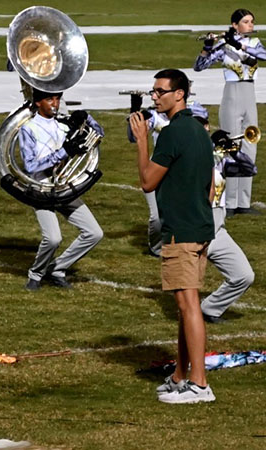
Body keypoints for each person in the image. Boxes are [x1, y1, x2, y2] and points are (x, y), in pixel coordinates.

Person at [130, 69, 216, 404]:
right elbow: (210, 184)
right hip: (200, 225)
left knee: (188, 304)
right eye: (153, 92)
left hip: (181, 229)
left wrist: (142, 142)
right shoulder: (197, 129)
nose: (154, 97)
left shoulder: (170, 134)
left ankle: (199, 383)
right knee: (185, 307)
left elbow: (147, 182)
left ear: (179, 94)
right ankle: (182, 375)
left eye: (159, 92)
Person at [18, 89, 104, 290]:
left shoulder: (64, 125)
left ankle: (57, 268)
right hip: (42, 189)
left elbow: (99, 135)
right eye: (50, 99)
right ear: (38, 102)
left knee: (94, 233)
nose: (55, 103)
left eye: (57, 98)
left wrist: (87, 118)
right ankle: (36, 274)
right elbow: (31, 166)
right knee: (53, 238)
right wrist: (65, 151)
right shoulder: (28, 128)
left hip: (65, 186)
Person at [194, 8, 266, 217]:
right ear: (235, 25)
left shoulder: (253, 43)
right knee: (230, 146)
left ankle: (244, 201)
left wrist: (239, 44)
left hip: (249, 94)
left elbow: (262, 56)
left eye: (252, 21)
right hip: (232, 94)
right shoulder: (224, 45)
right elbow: (199, 66)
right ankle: (230, 202)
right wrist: (207, 48)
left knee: (250, 145)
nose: (251, 25)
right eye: (246, 21)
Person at [126, 95, 210, 256]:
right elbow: (132, 137)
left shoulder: (196, 109)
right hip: (159, 167)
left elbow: (204, 130)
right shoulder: (154, 114)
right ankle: (157, 248)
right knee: (157, 218)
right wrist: (135, 112)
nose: (156, 96)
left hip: (186, 169)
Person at [202, 128, 255, 323]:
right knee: (187, 282)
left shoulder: (221, 163)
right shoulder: (189, 160)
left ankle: (209, 308)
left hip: (218, 228)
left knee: (244, 275)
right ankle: (189, 316)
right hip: (196, 226)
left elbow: (250, 170)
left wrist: (234, 151)